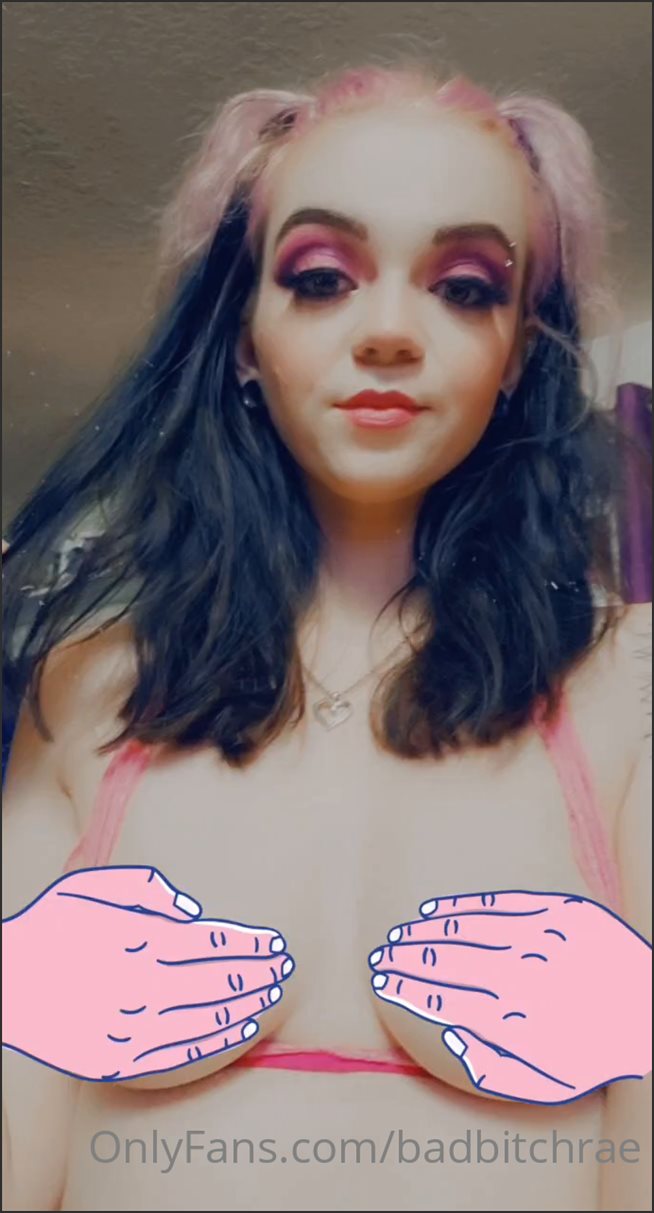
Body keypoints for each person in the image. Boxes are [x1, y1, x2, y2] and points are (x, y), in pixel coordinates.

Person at [2, 59, 651, 1212]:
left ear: (516, 353)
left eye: (465, 288)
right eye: (319, 278)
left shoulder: (626, 691)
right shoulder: (88, 688)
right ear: (242, 340)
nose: (389, 333)